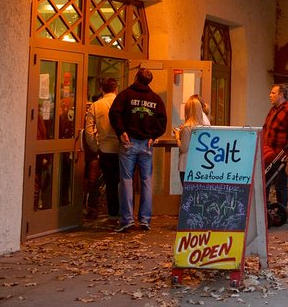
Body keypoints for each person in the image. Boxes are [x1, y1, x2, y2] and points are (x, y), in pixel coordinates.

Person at [109, 69, 167, 232]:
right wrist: (153, 135)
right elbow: (162, 119)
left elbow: (114, 114)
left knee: (126, 181)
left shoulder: (125, 95)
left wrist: (121, 132)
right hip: (147, 144)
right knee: (146, 181)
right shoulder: (155, 99)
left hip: (129, 142)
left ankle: (127, 219)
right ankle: (145, 220)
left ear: (136, 78)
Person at [261, 84, 288, 220]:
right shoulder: (273, 110)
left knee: (280, 184)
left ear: (281, 95)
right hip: (268, 152)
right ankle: (264, 207)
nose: (270, 95)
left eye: (273, 93)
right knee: (265, 181)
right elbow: (266, 128)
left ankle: (281, 212)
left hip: (281, 154)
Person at [85, 78, 119, 221]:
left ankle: (112, 213)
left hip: (104, 149)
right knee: (122, 182)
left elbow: (89, 131)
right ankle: (124, 213)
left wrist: (95, 147)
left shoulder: (96, 105)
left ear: (101, 90)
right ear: (116, 89)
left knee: (109, 183)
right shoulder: (121, 103)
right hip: (121, 148)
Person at [176, 95, 209, 184]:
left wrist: (177, 136)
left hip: (186, 165)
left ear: (188, 110)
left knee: (188, 193)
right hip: (200, 164)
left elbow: (184, 148)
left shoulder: (187, 127)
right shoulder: (204, 127)